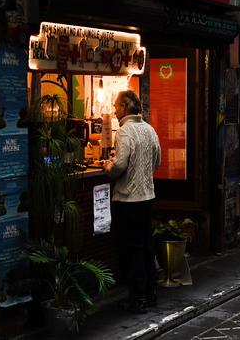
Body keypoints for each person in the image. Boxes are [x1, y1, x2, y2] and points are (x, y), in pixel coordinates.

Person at [103, 90, 161, 314]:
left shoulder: (125, 131)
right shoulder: (149, 129)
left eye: (117, 106)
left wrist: (108, 167)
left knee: (132, 249)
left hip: (128, 200)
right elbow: (158, 160)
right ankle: (151, 293)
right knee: (147, 246)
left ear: (126, 107)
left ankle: (137, 298)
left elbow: (118, 167)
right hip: (147, 198)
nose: (115, 110)